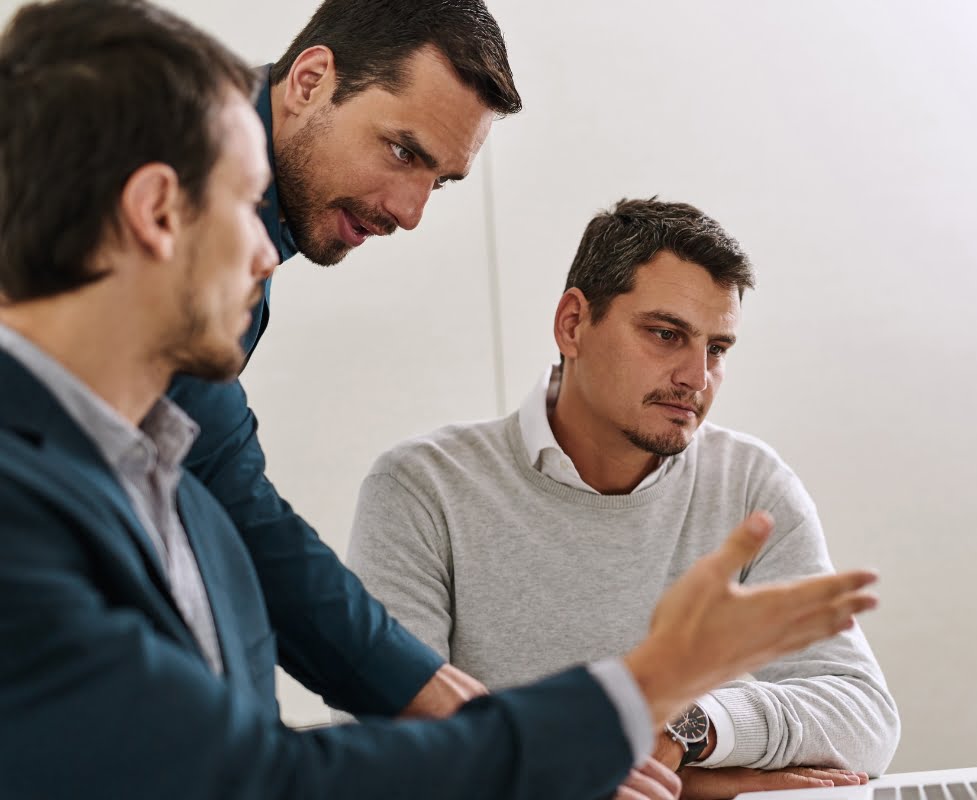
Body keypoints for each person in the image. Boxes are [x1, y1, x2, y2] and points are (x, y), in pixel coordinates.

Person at [0, 3, 882, 798]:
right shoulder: (39, 507)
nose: (267, 261)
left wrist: (573, 741)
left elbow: (254, 724)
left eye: (717, 347)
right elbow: (271, 776)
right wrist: (642, 692)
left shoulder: (178, 486)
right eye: (403, 151)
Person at [344, 198, 902, 798]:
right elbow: (392, 756)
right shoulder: (422, 489)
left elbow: (864, 716)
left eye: (717, 349)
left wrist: (695, 728)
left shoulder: (751, 484)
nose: (696, 377)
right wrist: (689, 786)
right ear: (573, 324)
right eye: (666, 335)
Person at [164, 0, 524, 722]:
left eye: (441, 180)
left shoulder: (258, 196)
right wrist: (462, 715)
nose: (413, 211)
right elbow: (228, 496)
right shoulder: (182, 168)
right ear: (310, 80)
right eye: (402, 151)